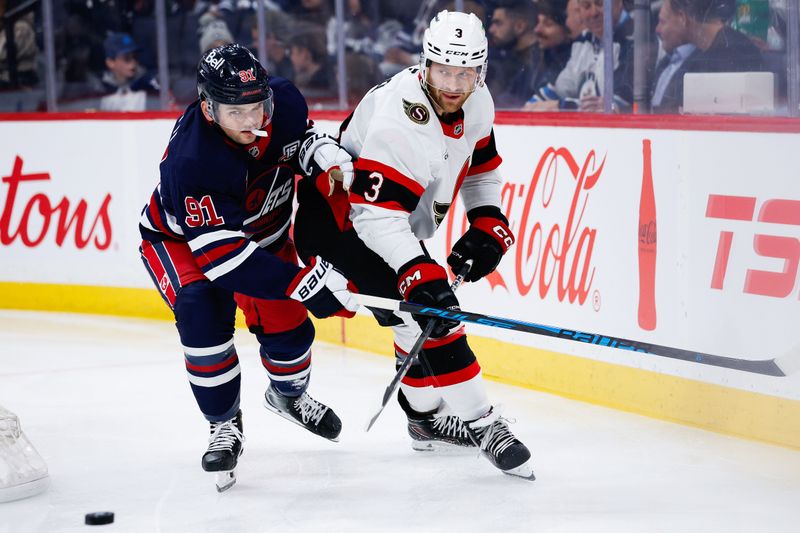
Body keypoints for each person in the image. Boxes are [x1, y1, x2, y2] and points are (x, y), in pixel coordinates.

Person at [293, 10, 534, 480]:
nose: (452, 83)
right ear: (425, 64)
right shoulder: (398, 119)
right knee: (433, 317)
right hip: (341, 226)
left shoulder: (477, 100)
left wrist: (488, 221)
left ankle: (424, 419)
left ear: (480, 72)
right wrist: (418, 272)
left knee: (414, 323)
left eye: (465, 73)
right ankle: (484, 425)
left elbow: (481, 168)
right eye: (443, 70)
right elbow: (375, 218)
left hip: (385, 222)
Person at [137, 44, 358, 491]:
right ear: (208, 108)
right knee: (203, 311)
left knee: (291, 331)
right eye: (236, 112)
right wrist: (302, 282)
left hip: (266, 236)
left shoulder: (285, 102)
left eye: (257, 106)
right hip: (185, 245)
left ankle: (288, 397)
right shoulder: (192, 160)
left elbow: (301, 142)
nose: (252, 120)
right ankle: (223, 423)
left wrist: (322, 156)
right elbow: (223, 262)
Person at [526, 0, 634, 112]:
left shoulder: (634, 40)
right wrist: (529, 107)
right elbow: (560, 89)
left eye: (600, 4)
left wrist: (561, 106)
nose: (593, 13)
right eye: (586, 6)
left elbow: (618, 105)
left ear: (619, 3)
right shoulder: (584, 40)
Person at [485, 0, 540, 107]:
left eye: (498, 23)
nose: (491, 30)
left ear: (520, 26)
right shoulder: (505, 58)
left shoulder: (536, 64)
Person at [650, 0, 697, 113]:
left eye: (662, 22)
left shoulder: (700, 64)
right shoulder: (665, 62)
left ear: (682, 18)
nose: (657, 29)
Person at [100, 32, 160, 111]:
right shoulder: (100, 88)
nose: (133, 62)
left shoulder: (149, 84)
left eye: (135, 57)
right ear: (110, 62)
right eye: (127, 58)